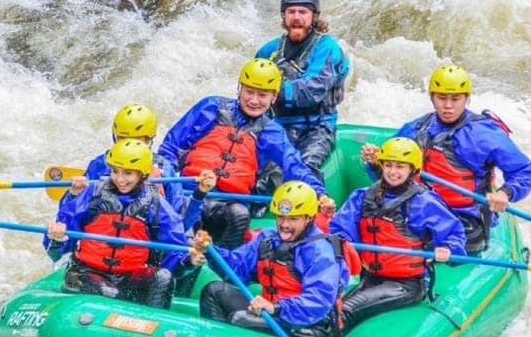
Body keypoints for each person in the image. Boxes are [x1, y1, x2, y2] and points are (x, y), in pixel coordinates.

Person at [158, 57, 334, 250]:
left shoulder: (271, 132)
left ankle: (225, 268)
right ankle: (182, 256)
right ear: (239, 88)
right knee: (183, 211)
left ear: (273, 97)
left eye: (262, 95)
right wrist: (160, 171)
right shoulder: (210, 107)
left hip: (229, 203)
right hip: (189, 192)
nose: (254, 100)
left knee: (240, 215)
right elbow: (170, 147)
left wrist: (320, 193)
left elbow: (293, 166)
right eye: (249, 92)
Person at [364, 64, 531, 253]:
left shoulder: (484, 134)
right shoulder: (415, 129)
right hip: (420, 212)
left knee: (413, 242)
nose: (448, 106)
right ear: (432, 98)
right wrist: (375, 164)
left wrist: (506, 192)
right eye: (442, 98)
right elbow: (391, 181)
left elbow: (523, 170)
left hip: (464, 220)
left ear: (467, 99)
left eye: (455, 99)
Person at [44, 138, 210, 309]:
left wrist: (191, 260)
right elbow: (57, 247)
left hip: (129, 277)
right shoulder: (92, 196)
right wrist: (57, 237)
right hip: (86, 273)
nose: (120, 179)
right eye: (115, 171)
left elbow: (174, 251)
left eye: (128, 173)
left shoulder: (156, 205)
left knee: (163, 278)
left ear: (142, 174)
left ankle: (149, 327)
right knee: (108, 292)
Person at [331, 138, 466, 333]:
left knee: (347, 309)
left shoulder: (423, 202)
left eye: (400, 167)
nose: (393, 172)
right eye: (388, 165)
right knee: (329, 305)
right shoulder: (363, 196)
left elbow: (454, 232)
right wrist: (342, 244)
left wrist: (448, 248)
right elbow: (340, 228)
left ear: (413, 170)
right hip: (370, 276)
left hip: (406, 284)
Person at [199, 181, 349, 337]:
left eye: (293, 219)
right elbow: (237, 268)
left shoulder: (321, 251)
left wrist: (276, 308)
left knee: (240, 320)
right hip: (272, 314)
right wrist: (211, 251)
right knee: (214, 291)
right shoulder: (268, 238)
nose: (284, 225)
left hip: (310, 325)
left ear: (309, 218)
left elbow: (318, 301)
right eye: (280, 217)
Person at [254, 0, 349, 192]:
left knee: (304, 169)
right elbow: (249, 89)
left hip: (316, 128)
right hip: (277, 124)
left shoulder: (327, 48)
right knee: (255, 169)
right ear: (284, 16)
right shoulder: (268, 51)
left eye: (303, 12)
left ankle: (313, 212)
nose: (296, 17)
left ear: (314, 16)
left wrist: (273, 90)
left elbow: (312, 90)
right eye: (291, 12)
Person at [65, 103, 211, 232]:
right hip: (102, 238)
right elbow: (71, 214)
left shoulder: (164, 170)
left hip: (143, 246)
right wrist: (72, 195)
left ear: (149, 139)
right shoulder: (100, 164)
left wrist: (199, 194)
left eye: (135, 140)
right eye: (122, 138)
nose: (128, 146)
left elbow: (180, 223)